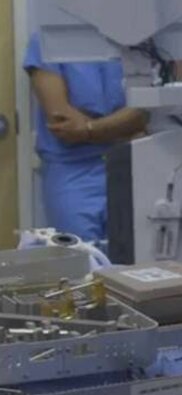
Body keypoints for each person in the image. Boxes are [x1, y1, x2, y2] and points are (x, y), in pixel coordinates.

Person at [24, 33, 147, 241]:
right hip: (72, 173)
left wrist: (89, 129)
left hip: (130, 166)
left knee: (132, 254)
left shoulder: (135, 37)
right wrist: (122, 128)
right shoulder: (48, 38)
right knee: (79, 254)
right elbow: (62, 122)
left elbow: (145, 111)